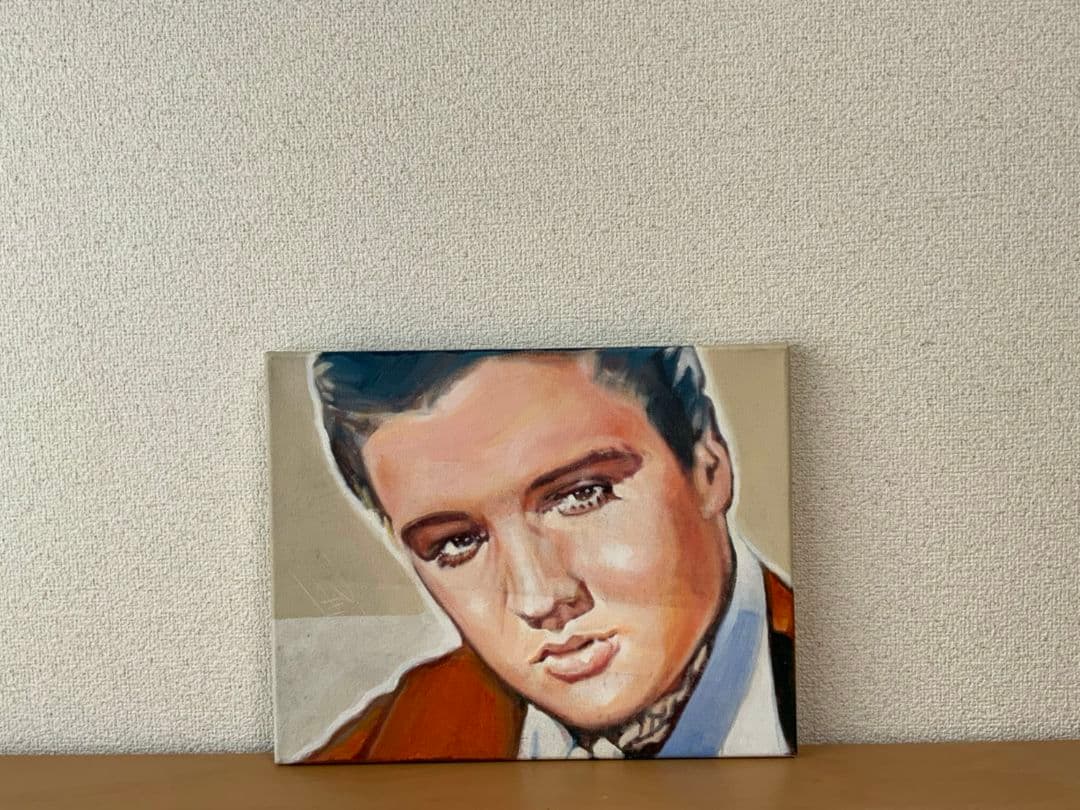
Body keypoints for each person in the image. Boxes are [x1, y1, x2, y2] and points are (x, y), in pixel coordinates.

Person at [301, 346, 795, 761]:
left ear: (708, 466)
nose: (539, 599)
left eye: (583, 495)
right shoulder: (380, 752)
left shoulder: (825, 692)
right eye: (456, 542)